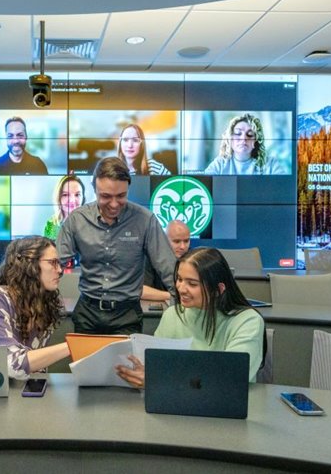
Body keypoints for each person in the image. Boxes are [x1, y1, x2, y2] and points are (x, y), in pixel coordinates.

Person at [116, 247, 266, 388]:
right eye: (179, 279)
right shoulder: (172, 315)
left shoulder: (247, 321)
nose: (181, 288)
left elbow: (231, 378)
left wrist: (159, 379)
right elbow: (159, 365)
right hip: (174, 404)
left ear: (218, 289)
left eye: (192, 284)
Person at [56, 157, 176, 334]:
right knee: (83, 363)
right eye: (106, 196)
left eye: (121, 196)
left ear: (128, 188)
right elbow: (55, 262)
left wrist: (182, 309)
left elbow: (170, 270)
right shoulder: (77, 219)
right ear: (94, 190)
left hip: (127, 316)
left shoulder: (145, 220)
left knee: (125, 363)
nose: (113, 204)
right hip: (87, 314)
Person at [0, 236, 70, 379]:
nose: (59, 270)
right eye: (53, 263)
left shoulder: (44, 302)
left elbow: (35, 368)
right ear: (29, 265)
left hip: (15, 388)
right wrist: (72, 346)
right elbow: (13, 365)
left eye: (59, 263)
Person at [204, 113, 278, 175]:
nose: (243, 138)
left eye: (250, 134)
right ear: (230, 139)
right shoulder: (220, 164)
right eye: (238, 133)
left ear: (256, 141)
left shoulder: (270, 164)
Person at [141, 220, 191, 302]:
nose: (183, 246)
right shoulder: (151, 259)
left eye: (186, 241)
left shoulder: (195, 259)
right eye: (177, 241)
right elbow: (141, 291)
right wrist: (172, 296)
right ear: (164, 240)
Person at [43, 175, 86, 240]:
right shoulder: (51, 224)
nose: (72, 200)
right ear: (58, 197)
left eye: (77, 195)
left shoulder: (91, 223)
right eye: (65, 195)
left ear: (83, 198)